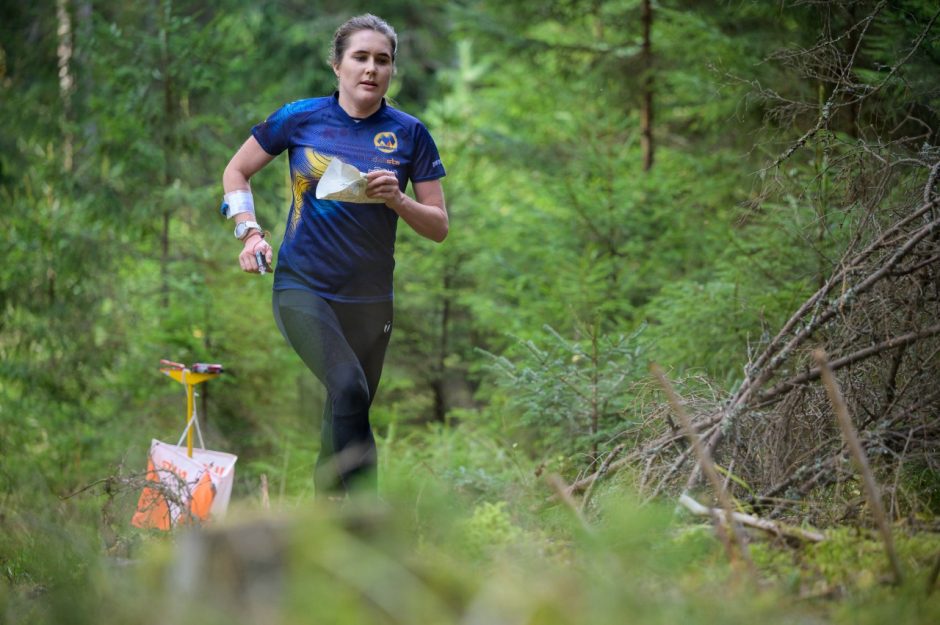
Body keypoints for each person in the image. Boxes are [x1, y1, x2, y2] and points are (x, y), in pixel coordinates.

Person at [220, 14, 448, 497]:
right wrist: (249, 234)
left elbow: (439, 226)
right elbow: (236, 171)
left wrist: (398, 200)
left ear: (391, 70)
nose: (371, 69)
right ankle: (369, 520)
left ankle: (323, 531)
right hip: (304, 287)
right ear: (337, 65)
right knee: (348, 388)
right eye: (360, 58)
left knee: (347, 408)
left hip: (369, 302)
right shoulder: (300, 118)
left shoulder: (409, 134)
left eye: (382, 60)